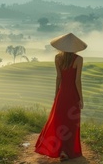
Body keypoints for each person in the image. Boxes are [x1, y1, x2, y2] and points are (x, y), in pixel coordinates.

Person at [35, 33, 87, 161]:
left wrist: (56, 94)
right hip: (72, 95)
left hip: (62, 93)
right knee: (71, 123)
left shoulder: (57, 58)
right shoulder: (78, 59)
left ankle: (61, 150)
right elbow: (77, 81)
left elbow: (58, 77)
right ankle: (68, 150)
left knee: (59, 121)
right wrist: (81, 98)